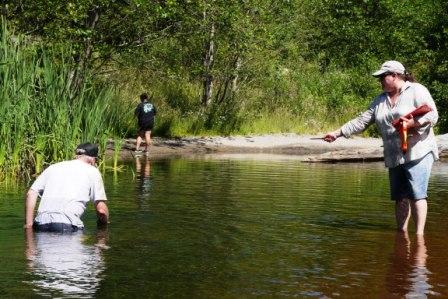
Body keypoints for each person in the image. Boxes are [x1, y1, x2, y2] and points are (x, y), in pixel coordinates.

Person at [323, 60, 438, 235]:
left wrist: (412, 124)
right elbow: (361, 121)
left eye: (383, 77)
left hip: (418, 150)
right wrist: (338, 133)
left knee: (417, 194)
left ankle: (419, 237)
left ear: (395, 75)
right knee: (400, 197)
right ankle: (402, 234)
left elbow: (432, 114)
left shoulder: (417, 90)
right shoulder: (380, 100)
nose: (380, 81)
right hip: (394, 154)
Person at [24, 142, 109, 233]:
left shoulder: (53, 168)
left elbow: (31, 194)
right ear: (93, 159)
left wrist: (29, 225)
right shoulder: (93, 171)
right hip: (67, 226)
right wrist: (104, 228)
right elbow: (101, 210)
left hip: (41, 224)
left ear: (77, 155)